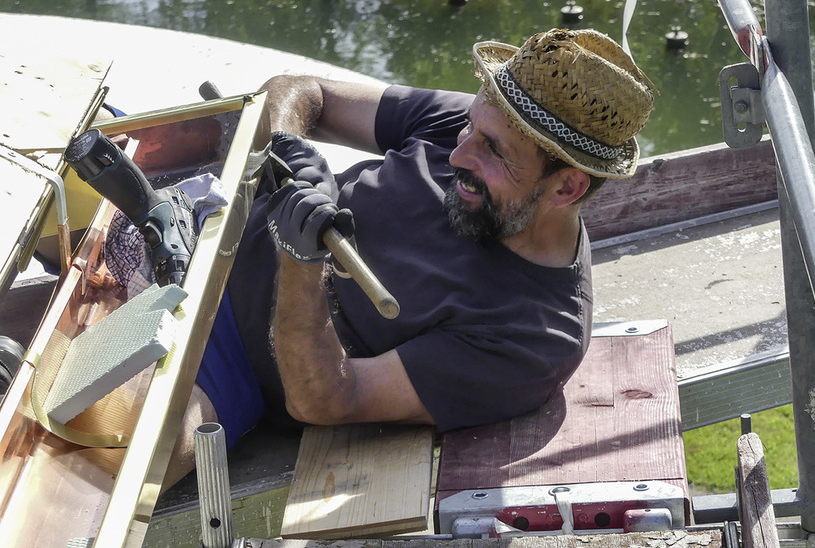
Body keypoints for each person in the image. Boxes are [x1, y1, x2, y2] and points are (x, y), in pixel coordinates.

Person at [168, 28, 655, 483]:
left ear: (567, 187)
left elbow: (327, 399)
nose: (460, 154)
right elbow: (299, 89)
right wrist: (288, 147)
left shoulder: (533, 338)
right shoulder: (486, 125)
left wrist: (301, 261)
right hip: (203, 224)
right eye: (470, 128)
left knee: (118, 449)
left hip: (227, 363)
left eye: (492, 153)